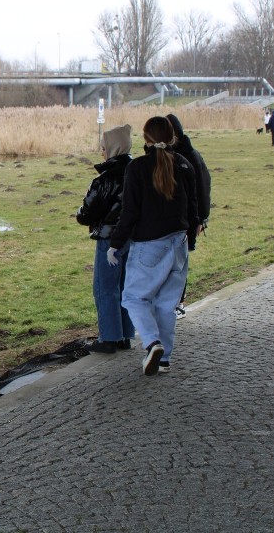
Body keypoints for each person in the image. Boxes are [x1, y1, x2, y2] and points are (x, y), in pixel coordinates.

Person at [109, 116, 199, 376]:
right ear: (172, 137)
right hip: (179, 243)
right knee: (166, 304)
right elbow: (192, 210)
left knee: (134, 297)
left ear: (145, 138)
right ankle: (164, 359)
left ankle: (151, 343)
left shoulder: (137, 168)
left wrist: (115, 244)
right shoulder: (184, 165)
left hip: (149, 245)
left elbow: (130, 212)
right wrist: (189, 243)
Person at [76, 124, 136, 354]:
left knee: (105, 287)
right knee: (124, 287)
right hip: (133, 238)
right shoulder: (137, 173)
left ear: (112, 148)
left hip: (110, 239)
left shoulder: (105, 179)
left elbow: (87, 212)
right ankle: (125, 335)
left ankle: (109, 337)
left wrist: (81, 216)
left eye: (104, 147)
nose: (101, 151)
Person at [166, 113, 211, 317]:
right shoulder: (170, 156)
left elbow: (201, 190)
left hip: (186, 219)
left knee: (180, 262)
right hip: (171, 219)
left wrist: (201, 219)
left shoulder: (189, 157)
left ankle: (178, 302)